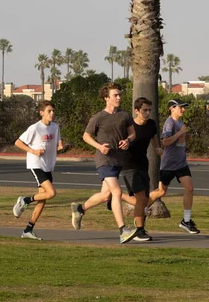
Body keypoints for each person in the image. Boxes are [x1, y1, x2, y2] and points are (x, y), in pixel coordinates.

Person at [70, 82, 139, 244]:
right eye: (115, 95)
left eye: (120, 94)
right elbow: (86, 136)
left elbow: (133, 134)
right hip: (104, 160)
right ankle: (123, 230)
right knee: (116, 192)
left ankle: (80, 209)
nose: (119, 97)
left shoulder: (125, 115)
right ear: (106, 98)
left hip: (118, 159)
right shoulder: (98, 117)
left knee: (105, 195)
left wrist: (128, 141)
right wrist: (99, 146)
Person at [146, 98, 199, 234]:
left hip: (181, 163)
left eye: (183, 107)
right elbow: (165, 141)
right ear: (172, 108)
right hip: (169, 164)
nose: (183, 109)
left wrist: (188, 135)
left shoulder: (180, 122)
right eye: (180, 107)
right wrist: (180, 133)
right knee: (161, 192)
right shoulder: (169, 124)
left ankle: (186, 221)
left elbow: (181, 141)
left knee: (189, 188)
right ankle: (142, 208)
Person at [13, 100, 63, 240]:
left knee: (43, 199)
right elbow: (18, 142)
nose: (52, 113)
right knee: (51, 193)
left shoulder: (55, 127)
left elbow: (57, 141)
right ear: (41, 113)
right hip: (36, 164)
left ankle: (28, 230)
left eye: (53, 111)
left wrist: (60, 145)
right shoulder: (35, 128)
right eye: (49, 111)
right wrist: (33, 151)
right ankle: (25, 200)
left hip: (48, 165)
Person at [118, 97, 162, 241]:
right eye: (145, 110)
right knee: (141, 198)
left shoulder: (151, 124)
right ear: (136, 111)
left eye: (150, 110)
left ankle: (140, 228)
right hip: (128, 165)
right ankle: (139, 230)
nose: (148, 113)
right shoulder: (129, 126)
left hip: (143, 164)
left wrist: (157, 147)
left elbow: (153, 137)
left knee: (144, 199)